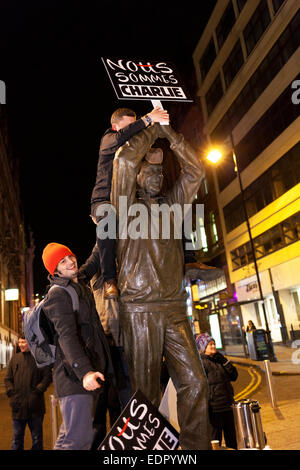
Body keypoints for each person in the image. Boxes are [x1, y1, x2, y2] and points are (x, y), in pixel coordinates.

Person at [110, 121, 212, 450]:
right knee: (146, 396)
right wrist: (152, 127)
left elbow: (196, 169)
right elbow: (124, 160)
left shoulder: (172, 207)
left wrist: (172, 136)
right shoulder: (124, 209)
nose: (157, 176)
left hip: (174, 309)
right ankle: (149, 454)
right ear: (137, 178)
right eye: (149, 171)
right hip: (139, 311)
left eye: (159, 173)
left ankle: (196, 449)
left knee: (196, 382)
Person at [41, 242, 115, 450]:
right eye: (62, 262)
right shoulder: (58, 294)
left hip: (87, 374)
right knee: (76, 441)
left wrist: (105, 226)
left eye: (70, 256)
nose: (70, 262)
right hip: (74, 379)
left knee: (74, 438)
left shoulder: (78, 279)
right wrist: (85, 373)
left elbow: (95, 257)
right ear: (55, 270)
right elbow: (67, 338)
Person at [90, 106, 169, 299]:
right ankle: (109, 279)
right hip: (104, 200)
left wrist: (160, 125)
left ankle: (189, 261)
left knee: (168, 207)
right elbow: (121, 137)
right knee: (108, 215)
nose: (135, 129)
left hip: (130, 199)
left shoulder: (135, 147)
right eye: (130, 125)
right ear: (116, 126)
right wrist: (148, 119)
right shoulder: (109, 139)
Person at [79, 242, 131, 449]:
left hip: (123, 347)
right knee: (98, 412)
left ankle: (125, 447)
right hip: (103, 349)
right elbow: (99, 250)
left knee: (124, 405)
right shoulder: (99, 277)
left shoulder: (126, 276)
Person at [4, 336, 52, 450]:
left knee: (37, 439)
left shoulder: (39, 358)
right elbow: (8, 378)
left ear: (30, 343)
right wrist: (11, 392)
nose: (21, 345)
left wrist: (38, 390)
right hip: (18, 406)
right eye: (20, 342)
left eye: (24, 342)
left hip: (35, 406)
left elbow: (47, 377)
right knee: (17, 438)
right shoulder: (15, 358)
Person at [196, 333, 238, 449]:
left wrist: (225, 361)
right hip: (214, 409)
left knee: (232, 440)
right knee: (215, 441)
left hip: (228, 406)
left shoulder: (220, 360)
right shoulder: (201, 364)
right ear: (203, 347)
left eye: (214, 344)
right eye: (210, 345)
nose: (213, 346)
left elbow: (234, 376)